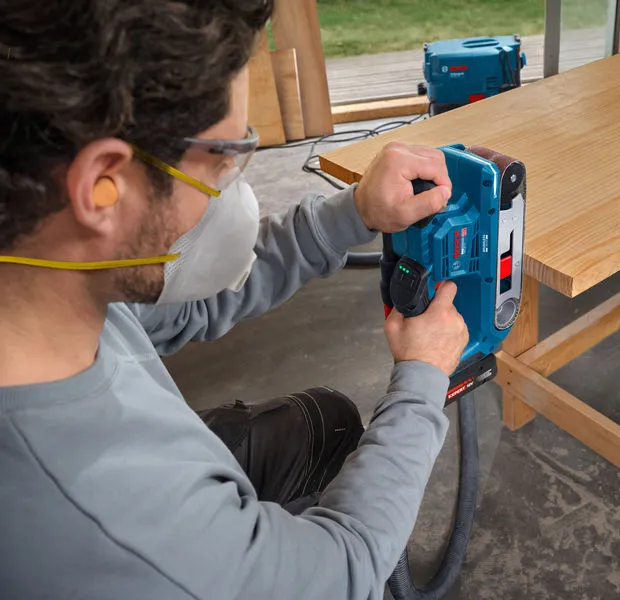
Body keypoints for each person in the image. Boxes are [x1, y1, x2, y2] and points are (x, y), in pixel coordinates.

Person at [0, 1, 470, 599]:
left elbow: (189, 306)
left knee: (325, 424)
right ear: (101, 187)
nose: (233, 192)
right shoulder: (105, 514)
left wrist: (354, 213)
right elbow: (343, 570)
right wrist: (423, 380)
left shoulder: (42, 268)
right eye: (223, 162)